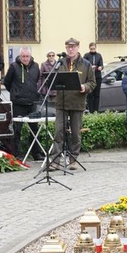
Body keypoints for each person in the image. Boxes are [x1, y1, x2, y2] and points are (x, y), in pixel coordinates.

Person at [46, 38, 95, 171]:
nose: (70, 49)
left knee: (75, 133)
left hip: (77, 103)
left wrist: (85, 87)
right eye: (68, 47)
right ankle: (55, 161)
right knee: (58, 132)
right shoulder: (60, 63)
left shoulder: (86, 64)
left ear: (78, 47)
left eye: (73, 47)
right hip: (61, 102)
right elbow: (52, 79)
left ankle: (73, 159)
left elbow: (92, 82)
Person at [3, 47, 41, 159]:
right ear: (20, 56)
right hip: (18, 103)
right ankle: (15, 155)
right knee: (16, 130)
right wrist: (16, 93)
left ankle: (36, 153)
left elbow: (37, 80)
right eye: (23, 56)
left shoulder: (36, 66)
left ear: (30, 56)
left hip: (32, 102)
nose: (25, 59)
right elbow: (6, 82)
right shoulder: (14, 66)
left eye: (27, 56)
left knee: (34, 129)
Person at [83, 42, 104, 113]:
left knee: (97, 94)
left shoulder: (99, 55)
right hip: (89, 77)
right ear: (89, 48)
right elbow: (83, 65)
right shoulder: (86, 55)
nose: (92, 50)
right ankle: (91, 110)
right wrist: (90, 67)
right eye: (91, 49)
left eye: (94, 49)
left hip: (97, 76)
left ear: (96, 48)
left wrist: (100, 67)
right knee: (90, 95)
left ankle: (96, 110)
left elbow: (101, 65)